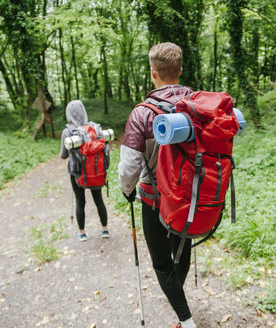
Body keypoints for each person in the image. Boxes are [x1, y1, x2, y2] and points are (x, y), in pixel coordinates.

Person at [118, 43, 198, 328]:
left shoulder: (141, 114)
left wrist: (127, 190)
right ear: (180, 70)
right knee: (181, 253)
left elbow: (129, 166)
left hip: (155, 200)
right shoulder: (198, 104)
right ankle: (181, 309)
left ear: (153, 73)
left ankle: (186, 321)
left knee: (162, 264)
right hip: (192, 197)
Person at [60, 100, 109, 241]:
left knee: (80, 202)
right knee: (98, 199)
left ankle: (82, 233)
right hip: (95, 171)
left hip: (77, 173)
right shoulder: (95, 128)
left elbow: (63, 155)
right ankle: (105, 230)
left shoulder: (68, 131)